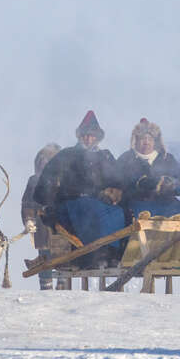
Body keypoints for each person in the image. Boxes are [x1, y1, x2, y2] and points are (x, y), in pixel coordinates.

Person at [34, 111, 124, 266]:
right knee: (90, 209)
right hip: (72, 203)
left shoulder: (105, 156)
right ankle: (95, 253)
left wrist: (111, 194)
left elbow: (118, 181)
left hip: (99, 203)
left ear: (97, 137)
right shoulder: (67, 155)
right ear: (79, 136)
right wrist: (48, 204)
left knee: (119, 212)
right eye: (85, 135)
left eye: (92, 135)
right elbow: (48, 179)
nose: (88, 139)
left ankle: (113, 252)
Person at [116, 118, 180, 219]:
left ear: (155, 141)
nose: (146, 142)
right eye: (142, 138)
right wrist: (145, 183)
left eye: (150, 139)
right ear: (136, 141)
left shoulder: (167, 159)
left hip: (167, 203)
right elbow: (119, 181)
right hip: (138, 203)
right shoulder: (126, 158)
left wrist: (173, 184)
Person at [20, 143, 72, 290]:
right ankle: (46, 289)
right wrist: (28, 220)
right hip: (41, 226)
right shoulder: (33, 181)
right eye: (41, 160)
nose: (43, 163)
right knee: (44, 257)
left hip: (61, 227)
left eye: (47, 160)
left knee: (63, 258)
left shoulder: (64, 180)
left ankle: (63, 288)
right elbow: (27, 204)